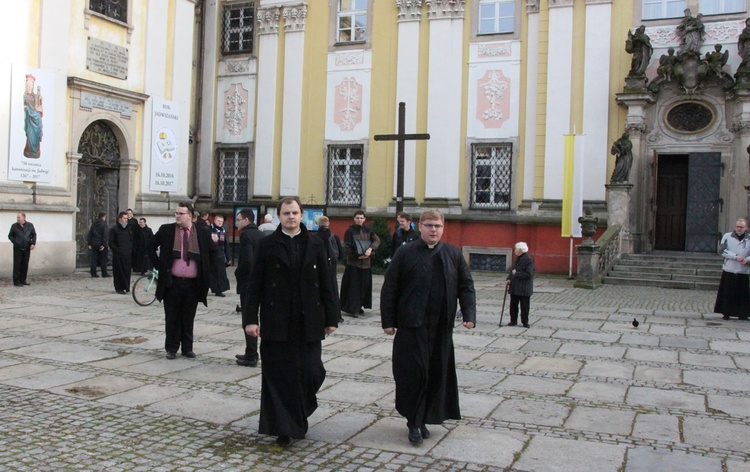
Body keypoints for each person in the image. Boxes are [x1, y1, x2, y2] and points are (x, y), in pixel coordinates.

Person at [243, 196, 339, 447]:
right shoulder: (267, 245)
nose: (291, 217)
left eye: (295, 212)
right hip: (276, 320)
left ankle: (299, 411)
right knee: (279, 375)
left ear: (301, 214)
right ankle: (283, 427)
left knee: (312, 371)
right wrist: (250, 319)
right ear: (279, 216)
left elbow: (328, 283)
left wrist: (332, 316)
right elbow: (254, 286)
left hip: (309, 320)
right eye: (286, 213)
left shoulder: (317, 244)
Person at [380, 209, 476, 445]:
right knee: (413, 375)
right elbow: (390, 287)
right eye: (429, 225)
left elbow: (466, 286)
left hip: (441, 328)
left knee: (435, 374)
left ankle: (424, 418)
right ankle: (413, 421)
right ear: (420, 227)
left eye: (438, 226)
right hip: (412, 326)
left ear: (443, 229)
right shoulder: (405, 253)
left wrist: (469, 314)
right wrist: (388, 321)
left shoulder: (453, 254)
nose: (434, 230)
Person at [149, 202, 216, 359]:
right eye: (176, 213)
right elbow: (150, 245)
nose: (177, 216)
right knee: (172, 316)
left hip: (193, 283)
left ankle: (187, 348)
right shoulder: (167, 230)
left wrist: (207, 271)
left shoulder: (202, 232)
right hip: (173, 282)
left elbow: (214, 253)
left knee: (188, 316)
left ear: (190, 216)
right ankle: (171, 348)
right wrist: (159, 265)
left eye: (181, 213)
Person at [234, 209, 265, 367]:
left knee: (249, 318)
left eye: (238, 219)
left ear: (246, 220)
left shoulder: (246, 236)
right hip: (261, 282)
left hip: (249, 283)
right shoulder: (260, 234)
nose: (236, 223)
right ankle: (251, 352)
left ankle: (252, 354)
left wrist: (237, 272)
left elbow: (247, 261)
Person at [340, 210, 380, 317]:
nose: (359, 220)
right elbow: (347, 247)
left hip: (366, 264)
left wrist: (370, 249)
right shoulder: (350, 231)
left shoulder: (369, 230)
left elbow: (376, 240)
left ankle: (359, 306)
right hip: (354, 264)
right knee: (353, 288)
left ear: (364, 219)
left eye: (361, 218)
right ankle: (353, 308)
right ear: (354, 219)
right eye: (357, 218)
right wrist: (357, 256)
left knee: (364, 287)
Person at [714, 219, 750, 321]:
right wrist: (735, 256)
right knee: (728, 293)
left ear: (745, 228)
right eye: (737, 226)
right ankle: (726, 313)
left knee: (742, 294)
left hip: (743, 270)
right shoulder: (727, 236)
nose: (739, 228)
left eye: (741, 227)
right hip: (730, 268)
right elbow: (722, 250)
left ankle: (743, 314)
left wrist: (747, 260)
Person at [314, 215, 344, 321]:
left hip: (318, 268)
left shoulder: (314, 237)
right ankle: (335, 316)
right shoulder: (334, 237)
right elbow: (341, 254)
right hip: (331, 268)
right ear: (328, 224)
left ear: (318, 224)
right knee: (333, 291)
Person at [505, 242, 534, 328]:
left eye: (516, 249)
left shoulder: (528, 259)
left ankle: (525, 322)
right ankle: (513, 320)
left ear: (520, 250)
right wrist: (508, 279)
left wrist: (516, 274)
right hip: (515, 287)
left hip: (524, 287)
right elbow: (512, 270)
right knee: (513, 305)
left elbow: (529, 274)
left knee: (524, 306)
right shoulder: (517, 258)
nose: (515, 250)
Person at [8, 212, 37, 287]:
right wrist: (15, 241)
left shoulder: (30, 225)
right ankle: (16, 281)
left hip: (27, 247)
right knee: (17, 265)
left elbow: (34, 234)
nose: (17, 219)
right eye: (17, 217)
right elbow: (10, 236)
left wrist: (33, 243)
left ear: (23, 217)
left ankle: (23, 280)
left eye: (19, 217)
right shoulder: (14, 226)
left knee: (25, 264)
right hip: (18, 248)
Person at [109, 211, 133, 295]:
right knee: (119, 272)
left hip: (127, 254)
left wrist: (130, 249)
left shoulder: (128, 229)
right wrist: (116, 250)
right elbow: (111, 242)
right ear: (120, 219)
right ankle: (119, 288)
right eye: (124, 218)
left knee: (127, 271)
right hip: (118, 255)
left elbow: (131, 240)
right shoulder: (114, 229)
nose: (126, 220)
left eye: (127, 218)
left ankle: (126, 286)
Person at [209, 214, 231, 297]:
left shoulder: (223, 231)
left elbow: (226, 245)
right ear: (214, 221)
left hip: (220, 255)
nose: (219, 223)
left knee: (220, 274)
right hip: (211, 255)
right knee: (211, 273)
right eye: (218, 221)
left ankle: (219, 290)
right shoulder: (209, 229)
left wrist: (228, 257)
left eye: (221, 221)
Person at [22, 74, 43, 159]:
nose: (29, 86)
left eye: (31, 85)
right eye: (28, 84)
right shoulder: (25, 96)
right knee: (30, 135)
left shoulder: (35, 96)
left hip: (36, 119)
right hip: (29, 120)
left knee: (36, 135)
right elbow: (24, 106)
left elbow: (40, 108)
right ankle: (29, 151)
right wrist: (26, 108)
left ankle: (35, 151)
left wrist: (40, 104)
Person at [86, 212, 109, 278]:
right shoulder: (104, 225)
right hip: (101, 244)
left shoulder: (94, 224)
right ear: (104, 217)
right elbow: (105, 235)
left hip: (94, 244)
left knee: (94, 259)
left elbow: (90, 234)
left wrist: (89, 243)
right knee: (103, 260)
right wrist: (104, 245)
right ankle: (104, 273)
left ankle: (93, 273)